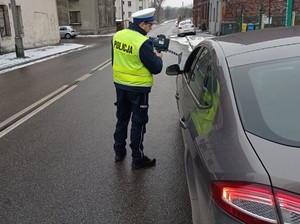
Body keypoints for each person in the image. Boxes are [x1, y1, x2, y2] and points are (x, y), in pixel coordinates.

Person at [112, 8, 163, 169]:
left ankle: (119, 152)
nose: (151, 28)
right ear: (142, 24)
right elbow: (156, 68)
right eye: (150, 25)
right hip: (139, 90)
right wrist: (158, 57)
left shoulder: (117, 36)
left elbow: (114, 60)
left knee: (122, 119)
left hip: (120, 86)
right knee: (138, 123)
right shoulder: (142, 42)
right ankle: (137, 159)